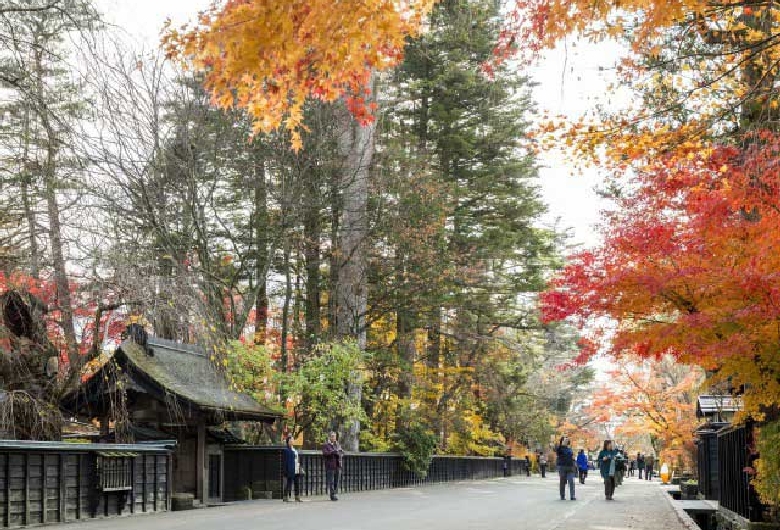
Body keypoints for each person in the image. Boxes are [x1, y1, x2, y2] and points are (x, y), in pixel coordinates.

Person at [322, 432, 343, 501]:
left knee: (336, 481)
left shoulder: (337, 444)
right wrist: (333, 452)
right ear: (329, 437)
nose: (334, 438)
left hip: (338, 465)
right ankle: (332, 495)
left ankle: (335, 494)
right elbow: (325, 453)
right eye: (332, 436)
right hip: (330, 465)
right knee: (331, 481)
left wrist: (340, 452)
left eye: (335, 436)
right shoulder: (326, 445)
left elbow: (341, 452)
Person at [283, 436, 304, 502]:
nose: (292, 441)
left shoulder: (295, 450)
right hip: (290, 469)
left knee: (297, 483)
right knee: (288, 483)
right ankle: (285, 497)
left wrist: (300, 467)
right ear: (288, 442)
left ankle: (297, 497)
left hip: (296, 468)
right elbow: (285, 461)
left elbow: (297, 459)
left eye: (292, 440)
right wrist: (286, 470)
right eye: (291, 440)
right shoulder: (286, 450)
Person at [555, 436, 576, 500]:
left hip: (570, 467)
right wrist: (561, 445)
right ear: (561, 441)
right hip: (562, 467)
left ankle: (572, 496)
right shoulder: (559, 449)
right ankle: (562, 495)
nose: (566, 441)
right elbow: (557, 452)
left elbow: (572, 457)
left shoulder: (569, 449)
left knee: (571, 481)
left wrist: (574, 464)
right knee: (562, 482)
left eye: (566, 440)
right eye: (564, 440)